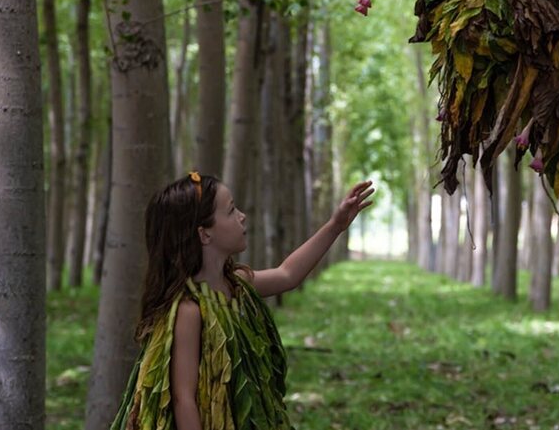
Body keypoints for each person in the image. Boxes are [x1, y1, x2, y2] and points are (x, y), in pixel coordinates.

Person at [110, 172, 375, 430]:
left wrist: (336, 225)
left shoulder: (236, 284)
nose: (242, 216)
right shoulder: (189, 310)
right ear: (204, 234)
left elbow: (288, 274)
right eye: (231, 210)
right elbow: (183, 400)